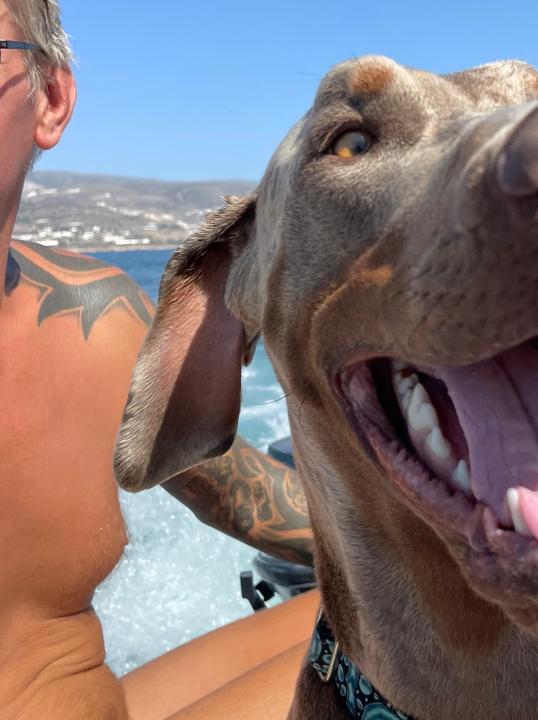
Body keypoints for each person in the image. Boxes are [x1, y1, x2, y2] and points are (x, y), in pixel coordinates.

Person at [0, 2, 319, 718]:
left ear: (50, 99)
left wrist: (461, 532)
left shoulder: (96, 320)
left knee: (416, 610)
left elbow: (248, 499)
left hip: (89, 696)